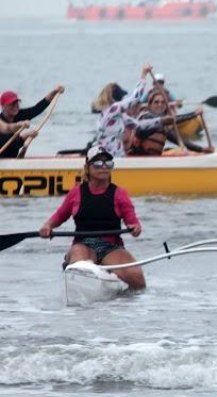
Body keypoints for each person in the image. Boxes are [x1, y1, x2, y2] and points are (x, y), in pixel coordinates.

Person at [39, 146, 146, 290]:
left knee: (136, 277)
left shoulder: (119, 194)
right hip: (83, 244)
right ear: (87, 167)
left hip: (111, 247)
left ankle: (126, 303)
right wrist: (47, 226)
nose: (103, 167)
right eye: (98, 163)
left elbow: (133, 222)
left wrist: (135, 229)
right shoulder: (76, 192)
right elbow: (60, 215)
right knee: (80, 268)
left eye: (108, 163)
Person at [95, 63, 172, 157]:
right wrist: (143, 74)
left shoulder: (117, 115)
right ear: (116, 99)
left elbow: (138, 125)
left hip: (118, 157)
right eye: (122, 97)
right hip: (110, 159)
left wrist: (161, 121)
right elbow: (135, 98)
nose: (124, 99)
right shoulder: (112, 110)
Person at [130, 90, 211, 155]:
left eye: (163, 102)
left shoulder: (163, 126)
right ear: (149, 106)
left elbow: (180, 141)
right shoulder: (145, 118)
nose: (160, 105)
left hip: (153, 161)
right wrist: (193, 114)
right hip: (137, 160)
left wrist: (202, 149)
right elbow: (171, 120)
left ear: (166, 106)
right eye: (156, 102)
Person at [0, 85, 64, 158]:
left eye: (16, 103)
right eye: (12, 104)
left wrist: (54, 91)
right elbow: (8, 131)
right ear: (3, 106)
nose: (15, 106)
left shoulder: (18, 115)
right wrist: (22, 134)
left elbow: (37, 108)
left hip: (11, 158)